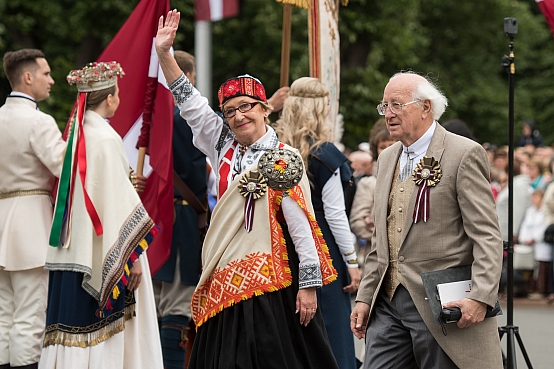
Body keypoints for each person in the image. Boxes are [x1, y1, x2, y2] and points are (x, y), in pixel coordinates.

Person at [155, 10, 339, 369]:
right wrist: (164, 54)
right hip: (223, 271)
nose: (238, 116)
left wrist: (308, 285)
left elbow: (302, 224)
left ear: (265, 109)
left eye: (246, 107)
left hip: (272, 279)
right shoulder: (223, 144)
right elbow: (189, 102)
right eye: (229, 111)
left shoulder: (283, 157)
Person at [350, 71, 503, 368]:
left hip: (442, 304)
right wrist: (365, 297)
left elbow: (486, 235)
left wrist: (481, 296)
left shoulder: (464, 153)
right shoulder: (386, 158)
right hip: (388, 302)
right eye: (384, 107)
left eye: (397, 105)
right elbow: (381, 240)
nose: (388, 114)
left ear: (426, 107)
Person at [39, 62, 163, 368]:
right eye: (117, 93)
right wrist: (133, 258)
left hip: (74, 250)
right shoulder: (106, 139)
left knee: (67, 330)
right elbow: (117, 203)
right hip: (103, 250)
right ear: (110, 99)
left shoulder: (78, 135)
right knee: (104, 332)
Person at [275, 77, 361, 369]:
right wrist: (351, 262)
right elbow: (336, 215)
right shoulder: (326, 155)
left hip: (282, 244)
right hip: (321, 245)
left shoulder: (275, 149)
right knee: (332, 329)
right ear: (320, 108)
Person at [0, 49, 64, 369]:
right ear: (28, 77)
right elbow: (64, 165)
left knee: (3, 315)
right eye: (46, 74)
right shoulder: (38, 120)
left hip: (1, 217)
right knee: (30, 314)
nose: (51, 80)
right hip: (28, 222)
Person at [147, 50, 207, 369]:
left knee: (155, 303)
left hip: (151, 218)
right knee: (178, 304)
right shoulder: (186, 117)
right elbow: (200, 171)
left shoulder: (148, 117)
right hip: (180, 218)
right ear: (189, 77)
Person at [350, 128, 395, 269]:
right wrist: (385, 232)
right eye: (382, 147)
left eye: (392, 144)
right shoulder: (369, 183)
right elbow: (357, 223)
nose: (388, 149)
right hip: (377, 258)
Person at [519, 189, 552, 299]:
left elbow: (544, 227)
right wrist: (524, 239)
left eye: (536, 197)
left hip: (541, 244)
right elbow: (525, 226)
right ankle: (532, 289)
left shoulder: (544, 212)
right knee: (531, 269)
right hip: (530, 245)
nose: (533, 200)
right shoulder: (530, 211)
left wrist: (534, 238)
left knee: (542, 268)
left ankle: (542, 290)